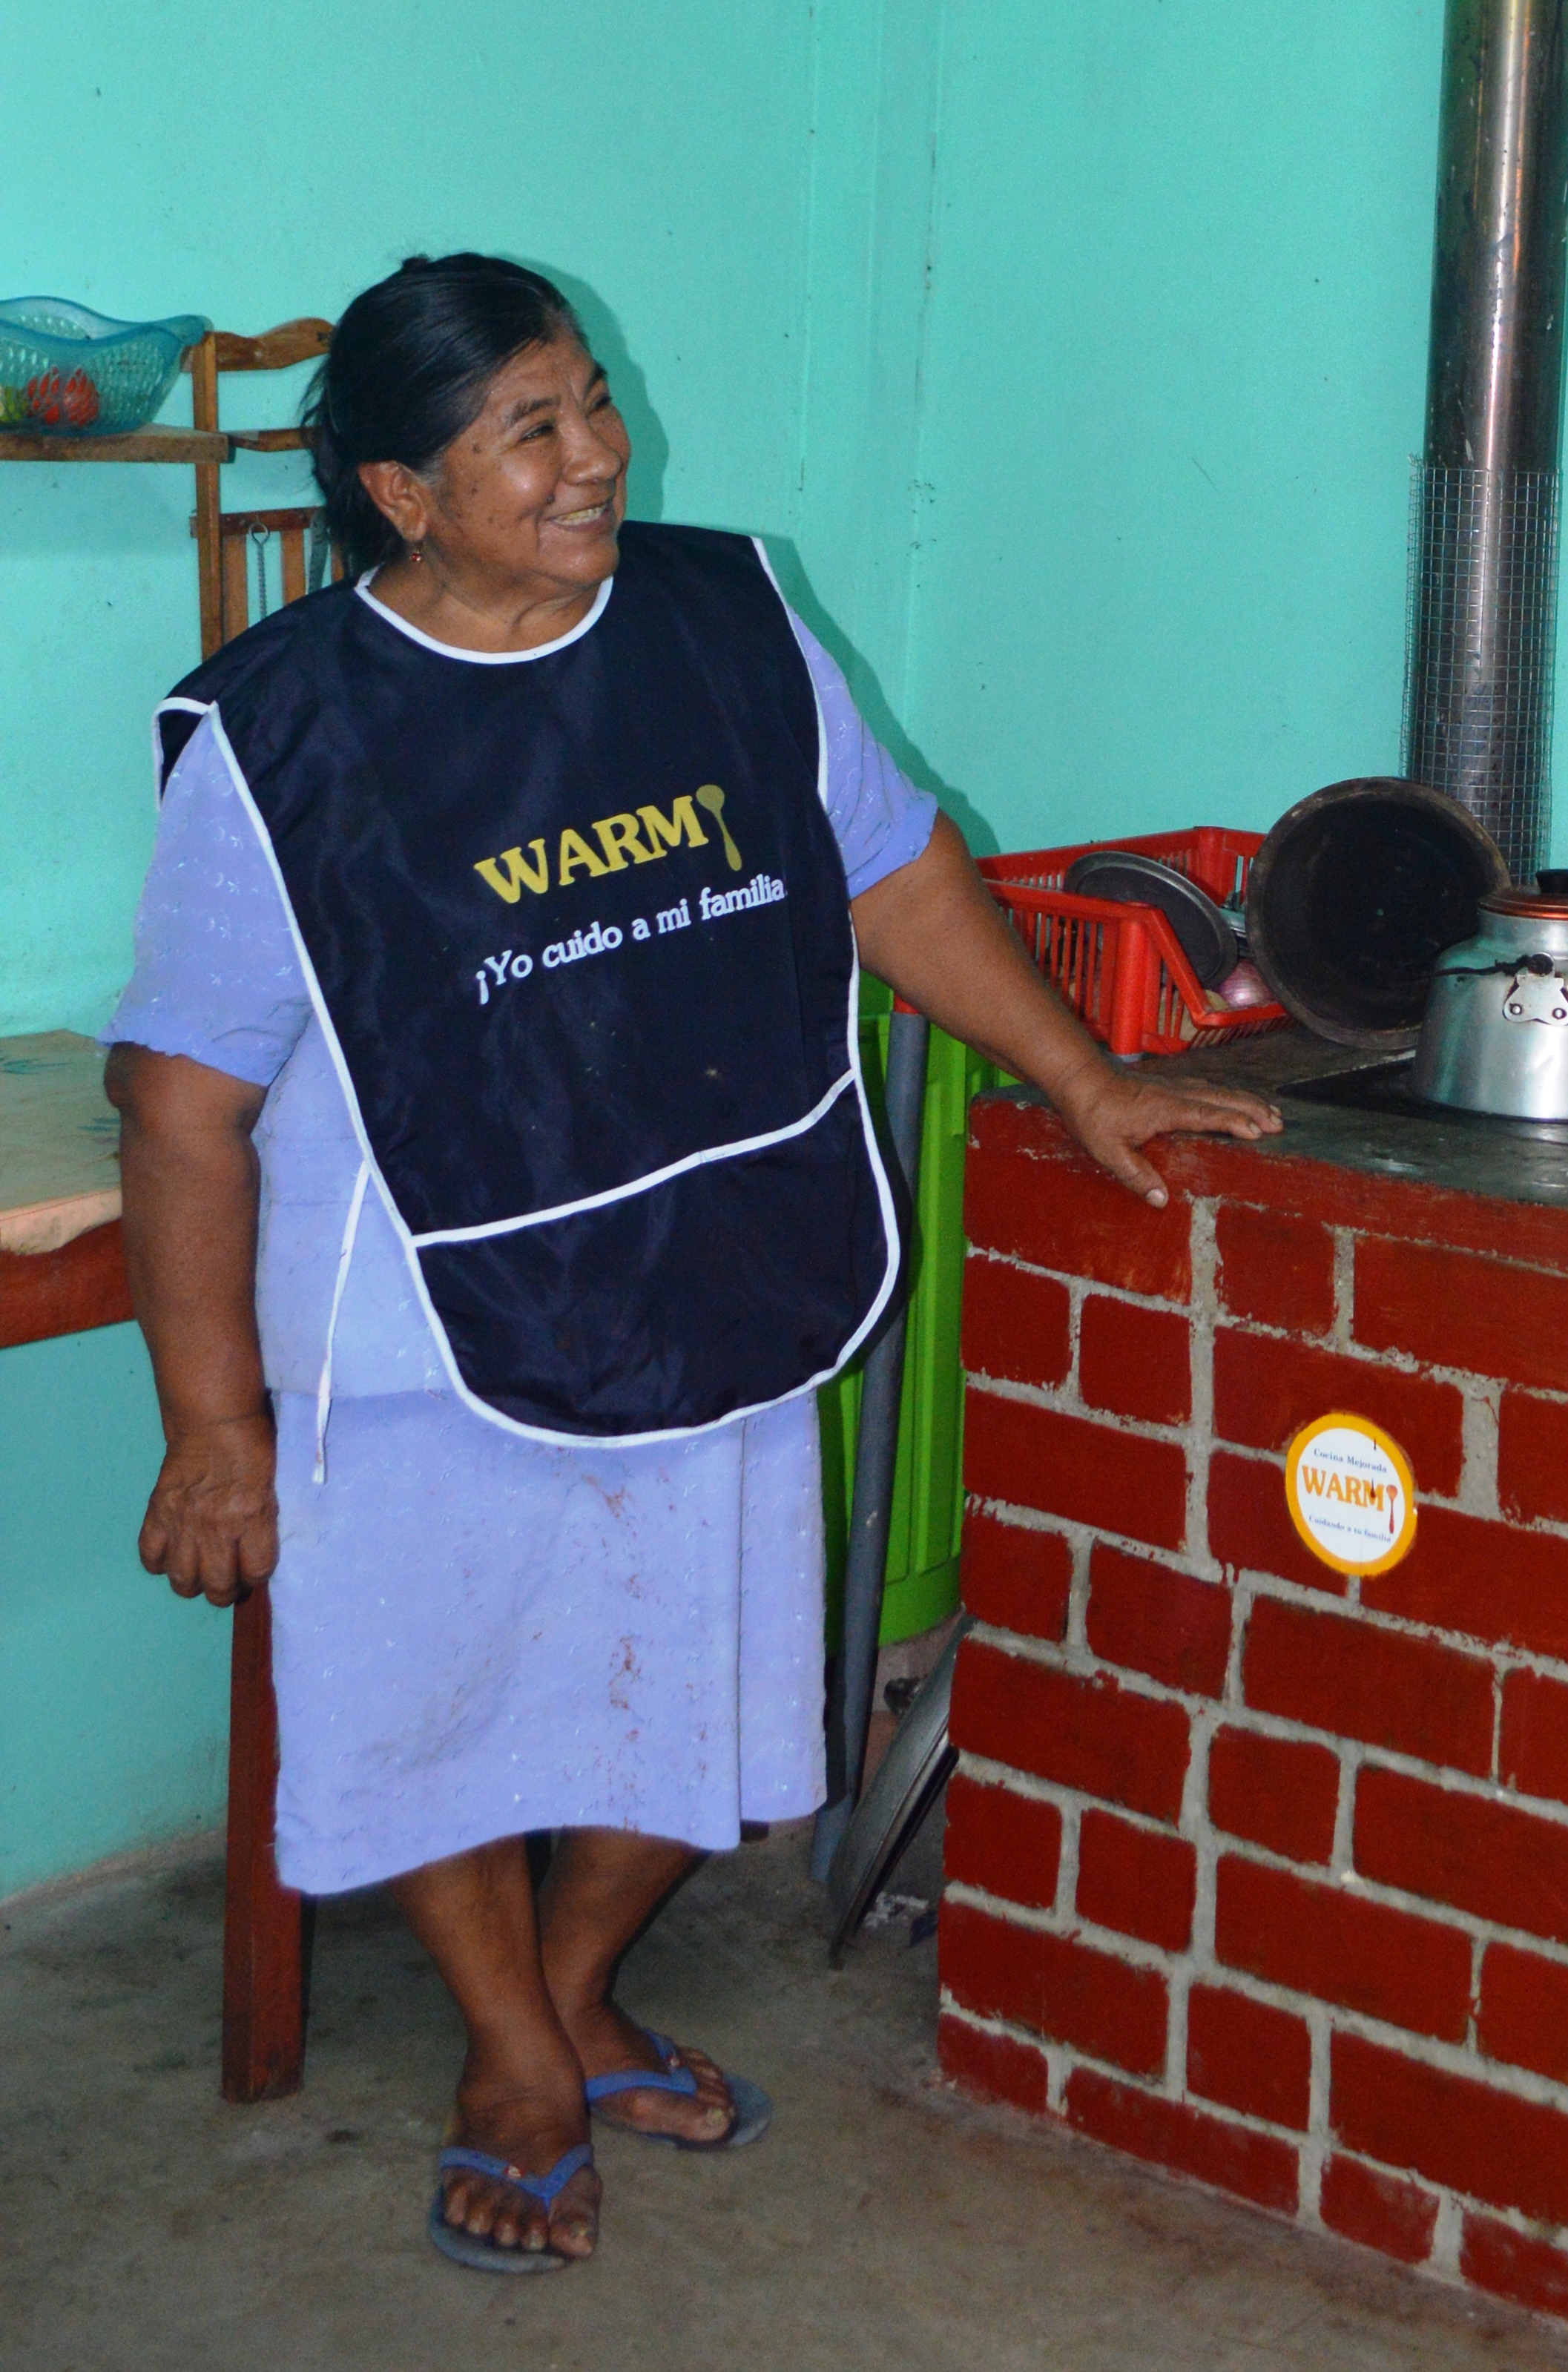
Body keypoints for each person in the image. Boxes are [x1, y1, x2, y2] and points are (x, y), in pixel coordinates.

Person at [104, 254, 1279, 2273]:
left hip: (712, 1259)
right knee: (437, 1697)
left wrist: (1083, 1082)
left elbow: (890, 862)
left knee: (704, 1689)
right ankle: (513, 2059)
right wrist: (210, 1422)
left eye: (593, 405)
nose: (595, 460)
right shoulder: (289, 737)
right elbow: (181, 1107)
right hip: (419, 1320)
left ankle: (572, 1985)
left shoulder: (728, 620)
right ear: (402, 490)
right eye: (531, 431)